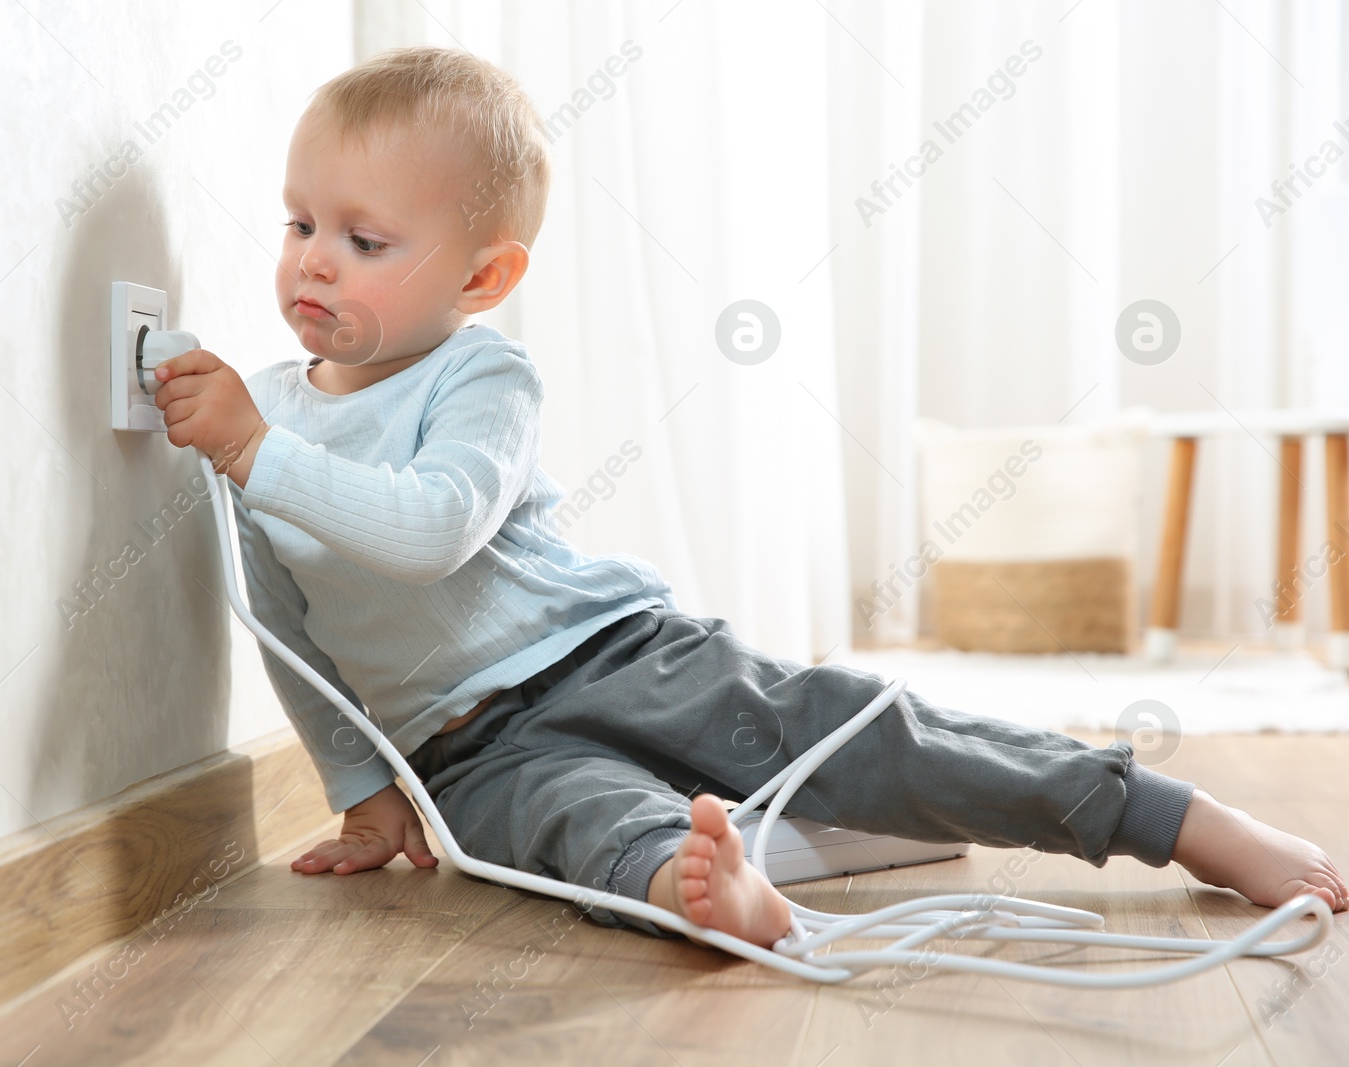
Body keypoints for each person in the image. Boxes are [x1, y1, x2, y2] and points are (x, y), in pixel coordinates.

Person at [150, 46, 1346, 946]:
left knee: (869, 729)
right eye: (301, 223)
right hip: (469, 755)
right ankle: (714, 891)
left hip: (619, 653)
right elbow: (286, 629)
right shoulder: (265, 421)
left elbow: (429, 531)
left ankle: (1174, 820)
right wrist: (363, 794)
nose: (312, 258)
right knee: (582, 832)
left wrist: (258, 451)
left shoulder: (479, 377)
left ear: (481, 277)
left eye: (362, 238)